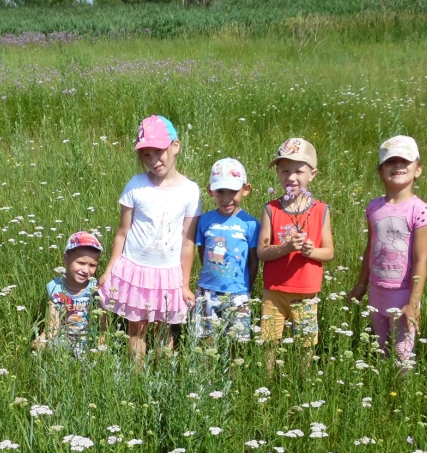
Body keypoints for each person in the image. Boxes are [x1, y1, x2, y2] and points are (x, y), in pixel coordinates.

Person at [99, 115, 201, 362]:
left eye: (159, 151)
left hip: (168, 272)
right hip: (134, 269)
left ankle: (162, 379)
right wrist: (109, 269)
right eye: (146, 155)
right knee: (137, 327)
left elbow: (188, 242)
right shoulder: (136, 185)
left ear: (175, 146)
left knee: (164, 329)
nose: (154, 160)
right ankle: (137, 381)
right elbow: (123, 232)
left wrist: (184, 283)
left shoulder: (190, 190)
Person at [349, 135, 427, 369]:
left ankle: (403, 401)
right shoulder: (374, 207)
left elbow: (421, 260)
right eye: (390, 161)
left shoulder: (421, 212)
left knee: (402, 355)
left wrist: (413, 302)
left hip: (403, 294)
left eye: (405, 161)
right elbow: (371, 247)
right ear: (380, 171)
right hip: (377, 293)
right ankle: (384, 398)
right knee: (380, 350)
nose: (397, 166)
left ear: (418, 170)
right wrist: (361, 285)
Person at [256, 137, 334, 367]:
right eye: (284, 171)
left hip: (306, 292)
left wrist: (311, 252)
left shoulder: (320, 210)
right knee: (269, 341)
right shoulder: (271, 209)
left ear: (312, 174)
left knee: (306, 344)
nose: (291, 178)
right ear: (278, 174)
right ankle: (266, 382)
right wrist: (287, 247)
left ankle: (304, 381)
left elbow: (328, 252)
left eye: (299, 171)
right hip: (275, 291)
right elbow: (262, 251)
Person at [192, 158, 259, 344]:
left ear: (246, 190)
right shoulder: (204, 220)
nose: (226, 198)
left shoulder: (250, 224)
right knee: (206, 341)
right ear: (210, 191)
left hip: (238, 293)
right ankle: (207, 374)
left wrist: (246, 288)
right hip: (207, 290)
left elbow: (254, 260)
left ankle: (234, 374)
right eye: (220, 191)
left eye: (233, 191)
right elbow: (202, 251)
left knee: (236, 344)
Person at [36, 231, 107, 356]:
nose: (86, 270)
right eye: (81, 263)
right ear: (66, 259)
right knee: (53, 347)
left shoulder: (96, 288)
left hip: (89, 339)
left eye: (92, 265)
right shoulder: (56, 288)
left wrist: (101, 343)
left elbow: (103, 326)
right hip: (64, 338)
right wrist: (43, 338)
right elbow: (53, 324)